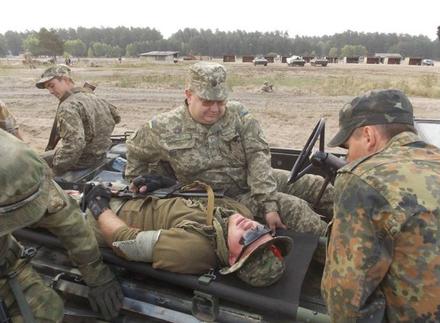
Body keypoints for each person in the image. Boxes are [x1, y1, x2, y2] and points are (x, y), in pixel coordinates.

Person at [126, 62, 332, 237]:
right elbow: (135, 150)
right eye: (207, 102)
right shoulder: (163, 127)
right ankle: (335, 254)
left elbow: (257, 155)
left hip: (250, 178)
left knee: (316, 186)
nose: (215, 109)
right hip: (219, 197)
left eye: (220, 101)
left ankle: (358, 226)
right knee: (294, 209)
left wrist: (267, 200)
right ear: (189, 95)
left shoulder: (238, 114)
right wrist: (140, 188)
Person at [321, 89, 440, 322]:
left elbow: (346, 302)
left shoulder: (364, 179)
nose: (347, 159)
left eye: (347, 147)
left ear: (368, 135)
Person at [0, 130, 123, 322]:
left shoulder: (24, 173)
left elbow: (68, 220)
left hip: (4, 259)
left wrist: (96, 275)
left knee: (46, 312)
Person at [81, 182, 293, 287]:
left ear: (231, 259)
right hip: (134, 194)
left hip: (104, 218)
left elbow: (125, 242)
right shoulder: (239, 214)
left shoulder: (192, 250)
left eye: (248, 239)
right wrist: (167, 183)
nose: (251, 228)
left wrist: (98, 205)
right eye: (261, 231)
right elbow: (202, 194)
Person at [35, 64, 121, 176]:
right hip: (100, 154)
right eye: (48, 88)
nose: (50, 91)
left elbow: (74, 146)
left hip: (82, 161)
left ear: (65, 80)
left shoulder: (68, 106)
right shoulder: (92, 96)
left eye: (52, 85)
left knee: (31, 161)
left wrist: (56, 170)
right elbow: (116, 117)